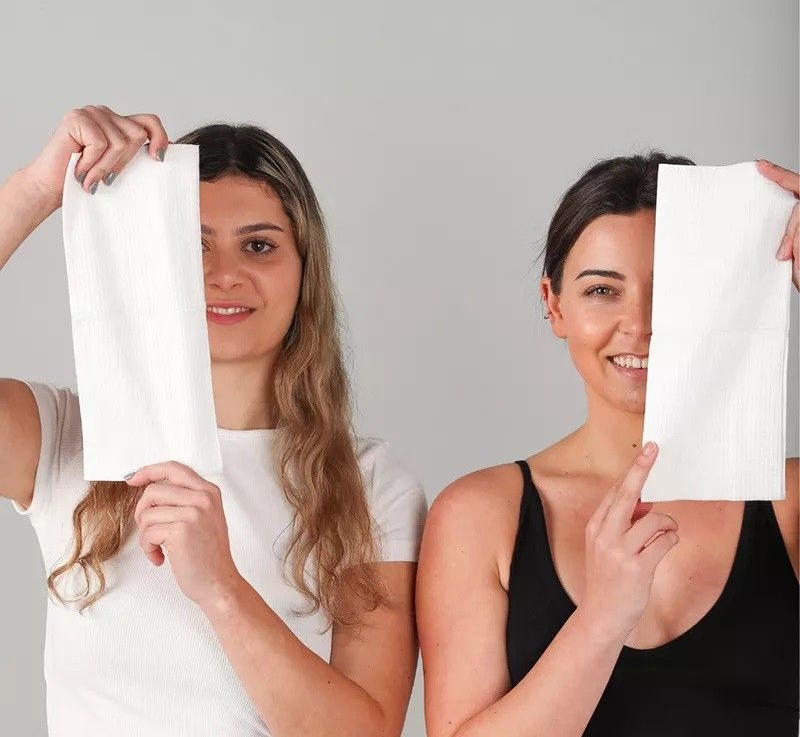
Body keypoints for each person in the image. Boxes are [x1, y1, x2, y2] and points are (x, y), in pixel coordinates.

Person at [0, 105, 427, 736]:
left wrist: (221, 587)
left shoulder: (371, 486)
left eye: (259, 246)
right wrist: (36, 189)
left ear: (304, 271)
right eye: (192, 243)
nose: (224, 274)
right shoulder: (63, 436)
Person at [416, 151, 799, 736]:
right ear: (554, 305)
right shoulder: (481, 516)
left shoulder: (786, 500)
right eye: (602, 290)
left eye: (673, 290)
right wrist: (601, 618)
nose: (639, 324)